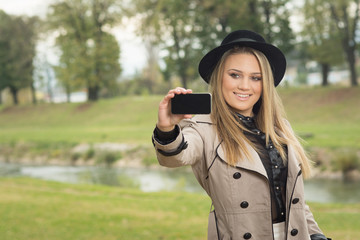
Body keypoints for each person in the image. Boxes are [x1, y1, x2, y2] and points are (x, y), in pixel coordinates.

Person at [152, 30, 331, 240]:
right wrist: (166, 129)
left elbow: (295, 200)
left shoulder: (280, 128)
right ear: (219, 77)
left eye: (256, 78)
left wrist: (316, 234)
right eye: (235, 75)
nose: (245, 86)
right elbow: (174, 157)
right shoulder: (203, 128)